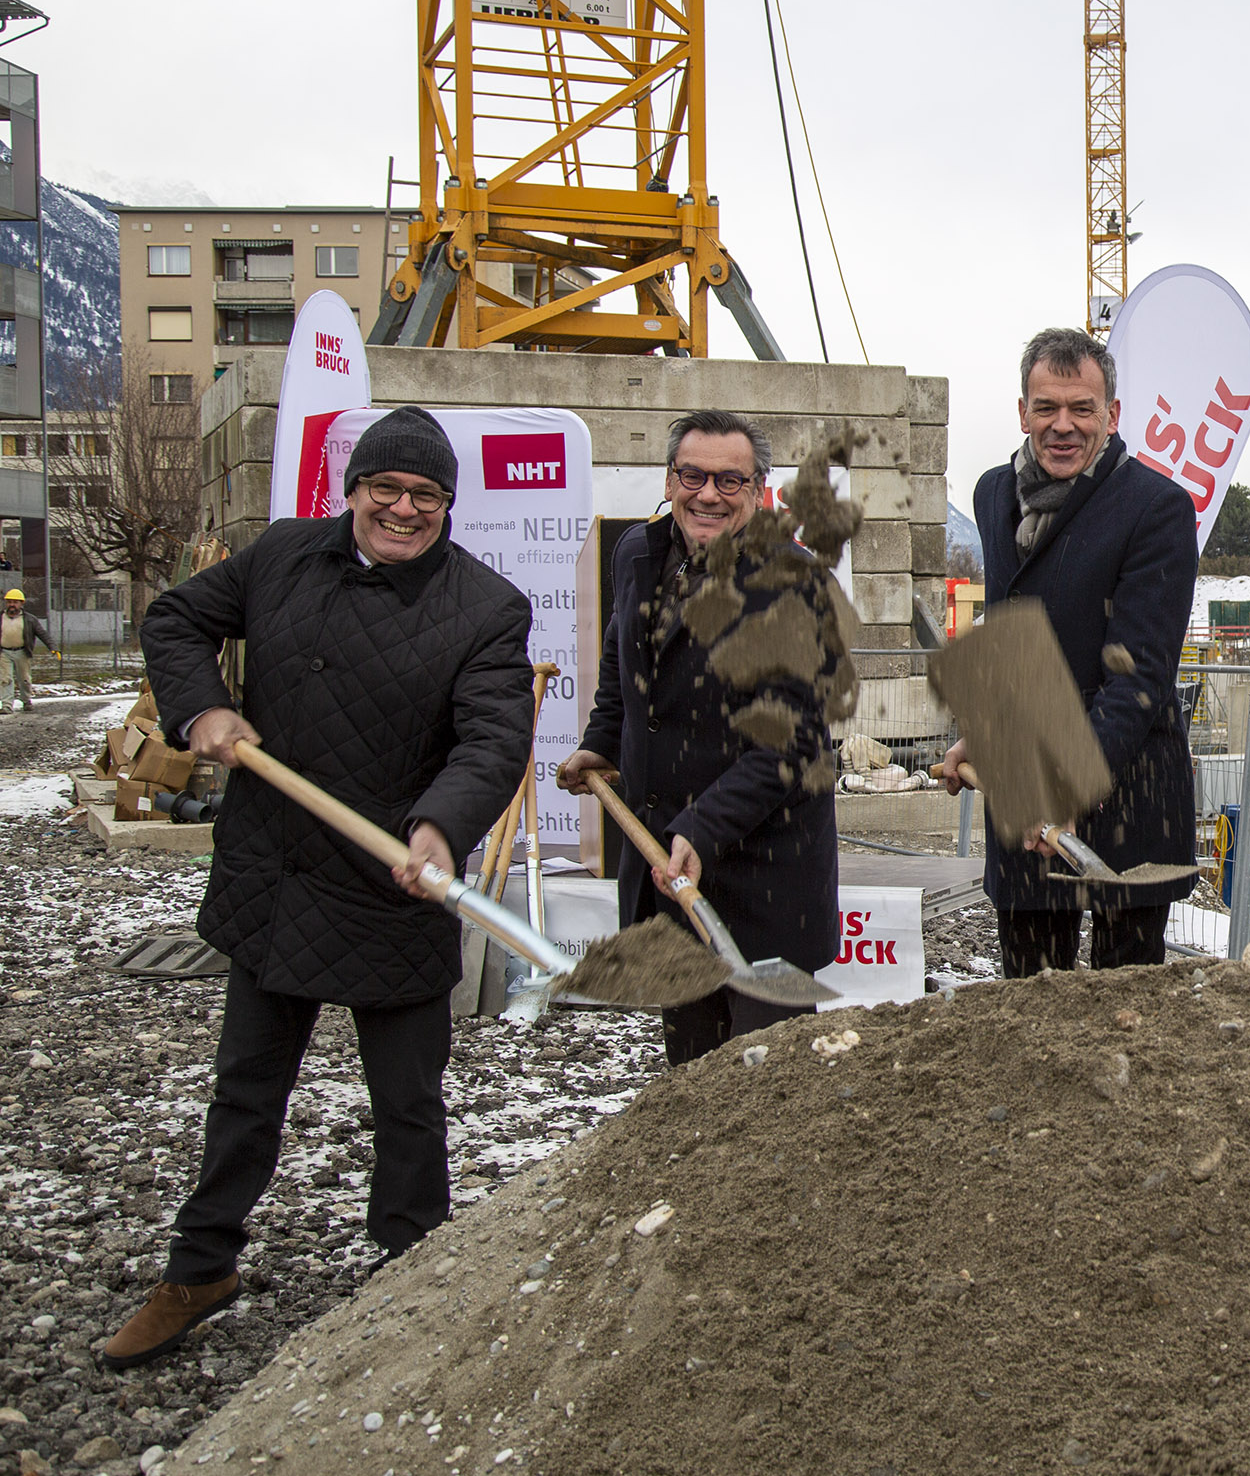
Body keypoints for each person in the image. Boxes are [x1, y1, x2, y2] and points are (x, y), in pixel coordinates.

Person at [102, 406, 533, 1368]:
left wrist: (439, 824)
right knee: (246, 1092)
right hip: (279, 875)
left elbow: (493, 738)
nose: (405, 509)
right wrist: (202, 705)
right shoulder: (282, 556)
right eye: (387, 488)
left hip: (393, 886)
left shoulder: (486, 607)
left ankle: (412, 1274)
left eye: (427, 495)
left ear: (448, 506)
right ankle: (200, 1267)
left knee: (409, 1107)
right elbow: (174, 619)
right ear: (355, 489)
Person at [558, 408, 840, 1066]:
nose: (707, 494)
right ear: (669, 476)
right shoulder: (639, 552)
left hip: (765, 875)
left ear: (759, 490)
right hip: (670, 861)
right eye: (692, 475)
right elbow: (622, 663)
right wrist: (602, 737)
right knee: (691, 1071)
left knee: (767, 1080)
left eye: (729, 480)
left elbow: (790, 742)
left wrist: (703, 825)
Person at [941, 328, 1197, 976]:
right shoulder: (994, 493)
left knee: (1125, 1006)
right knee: (1031, 995)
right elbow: (1007, 629)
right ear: (1022, 411)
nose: (1063, 425)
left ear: (1111, 414)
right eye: (1046, 407)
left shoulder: (1156, 508)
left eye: (1081, 408)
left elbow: (1137, 672)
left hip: (1128, 776)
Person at [2, 587, 55, 711]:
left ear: (21, 603)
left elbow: (42, 634)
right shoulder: (1, 617)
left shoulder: (29, 619)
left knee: (24, 679)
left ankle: (26, 700)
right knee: (5, 679)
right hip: (3, 653)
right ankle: (6, 705)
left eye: (15, 602)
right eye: (9, 602)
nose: (12, 605)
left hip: (22, 652)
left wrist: (53, 647)